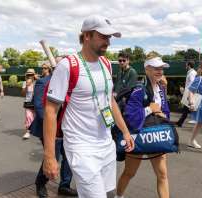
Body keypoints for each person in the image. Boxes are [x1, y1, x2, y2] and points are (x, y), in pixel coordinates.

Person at [42, 15, 134, 198]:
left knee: (109, 193)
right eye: (103, 36)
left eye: (109, 37)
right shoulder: (68, 66)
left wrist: (124, 131)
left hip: (107, 144)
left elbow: (110, 101)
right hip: (81, 147)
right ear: (86, 36)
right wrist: (50, 157)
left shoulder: (107, 64)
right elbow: (50, 111)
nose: (108, 42)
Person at [115, 52, 170, 198]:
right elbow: (130, 116)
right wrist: (149, 109)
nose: (160, 71)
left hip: (156, 135)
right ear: (147, 69)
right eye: (156, 68)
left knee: (162, 175)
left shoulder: (161, 89)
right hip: (139, 136)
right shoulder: (139, 89)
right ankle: (118, 196)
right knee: (129, 173)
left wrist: (163, 115)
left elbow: (166, 111)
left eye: (161, 68)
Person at [29, 62, 77, 197]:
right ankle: (40, 183)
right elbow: (39, 107)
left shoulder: (71, 82)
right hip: (49, 128)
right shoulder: (43, 82)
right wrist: (52, 126)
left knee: (69, 156)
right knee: (52, 156)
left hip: (66, 128)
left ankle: (64, 186)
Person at [176, 60, 197, 127]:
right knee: (187, 108)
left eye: (186, 65)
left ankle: (180, 122)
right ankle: (180, 122)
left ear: (189, 65)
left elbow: (192, 83)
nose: (185, 66)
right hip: (189, 92)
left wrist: (189, 94)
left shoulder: (192, 73)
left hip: (189, 93)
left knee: (188, 108)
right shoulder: (191, 72)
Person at [21, 68, 36, 139]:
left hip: (37, 102)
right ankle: (27, 132)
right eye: (28, 73)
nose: (30, 75)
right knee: (28, 117)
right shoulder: (25, 82)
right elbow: (23, 94)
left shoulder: (38, 81)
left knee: (36, 117)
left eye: (31, 73)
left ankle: (37, 130)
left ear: (34, 74)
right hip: (28, 102)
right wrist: (27, 85)